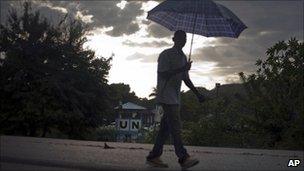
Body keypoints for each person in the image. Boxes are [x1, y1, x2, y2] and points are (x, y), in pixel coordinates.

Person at [146, 30, 205, 169]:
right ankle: (183, 157)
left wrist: (197, 94)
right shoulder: (166, 54)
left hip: (174, 98)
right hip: (165, 96)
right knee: (176, 127)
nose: (183, 40)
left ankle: (154, 156)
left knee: (165, 129)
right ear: (174, 39)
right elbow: (163, 74)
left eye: (185, 38)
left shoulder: (183, 57)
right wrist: (182, 68)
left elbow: (186, 78)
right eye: (180, 38)